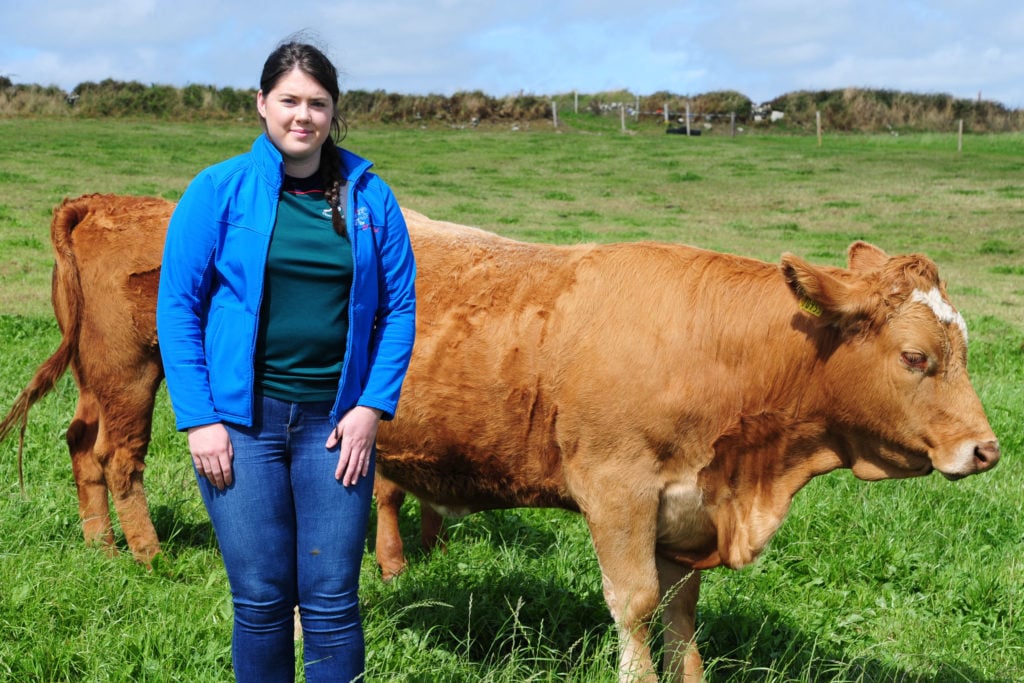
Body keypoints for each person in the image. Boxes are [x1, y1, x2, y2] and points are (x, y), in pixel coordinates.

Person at [156, 38, 416, 682]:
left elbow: (400, 310)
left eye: (318, 103)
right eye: (290, 101)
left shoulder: (370, 197)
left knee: (332, 600)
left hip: (335, 427)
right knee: (262, 600)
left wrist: (370, 408)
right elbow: (177, 309)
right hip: (242, 425)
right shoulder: (218, 190)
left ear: (334, 112)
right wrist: (200, 419)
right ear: (262, 105)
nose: (303, 116)